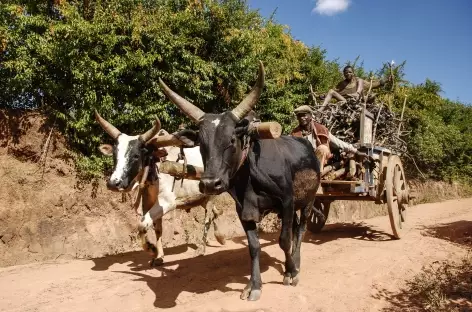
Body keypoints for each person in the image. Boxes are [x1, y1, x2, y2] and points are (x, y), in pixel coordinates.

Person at [290, 105, 363, 173]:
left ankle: (318, 174)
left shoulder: (321, 129)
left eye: (304, 115)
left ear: (310, 116)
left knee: (323, 148)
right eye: (299, 116)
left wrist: (356, 151)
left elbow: (339, 143)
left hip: (320, 161)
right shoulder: (295, 134)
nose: (302, 118)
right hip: (303, 162)